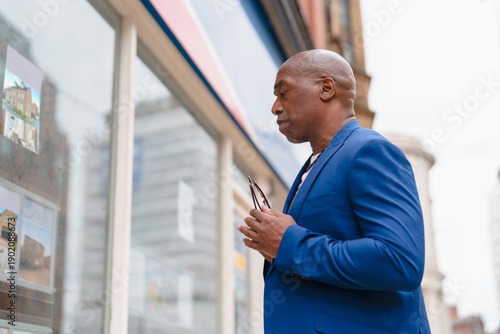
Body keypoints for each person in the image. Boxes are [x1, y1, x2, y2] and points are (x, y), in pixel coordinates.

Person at [237, 49, 431, 334]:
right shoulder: (316, 163)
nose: (275, 107)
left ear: (326, 89)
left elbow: (400, 260)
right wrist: (277, 250)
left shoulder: (368, 150)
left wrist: (289, 244)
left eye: (284, 93)